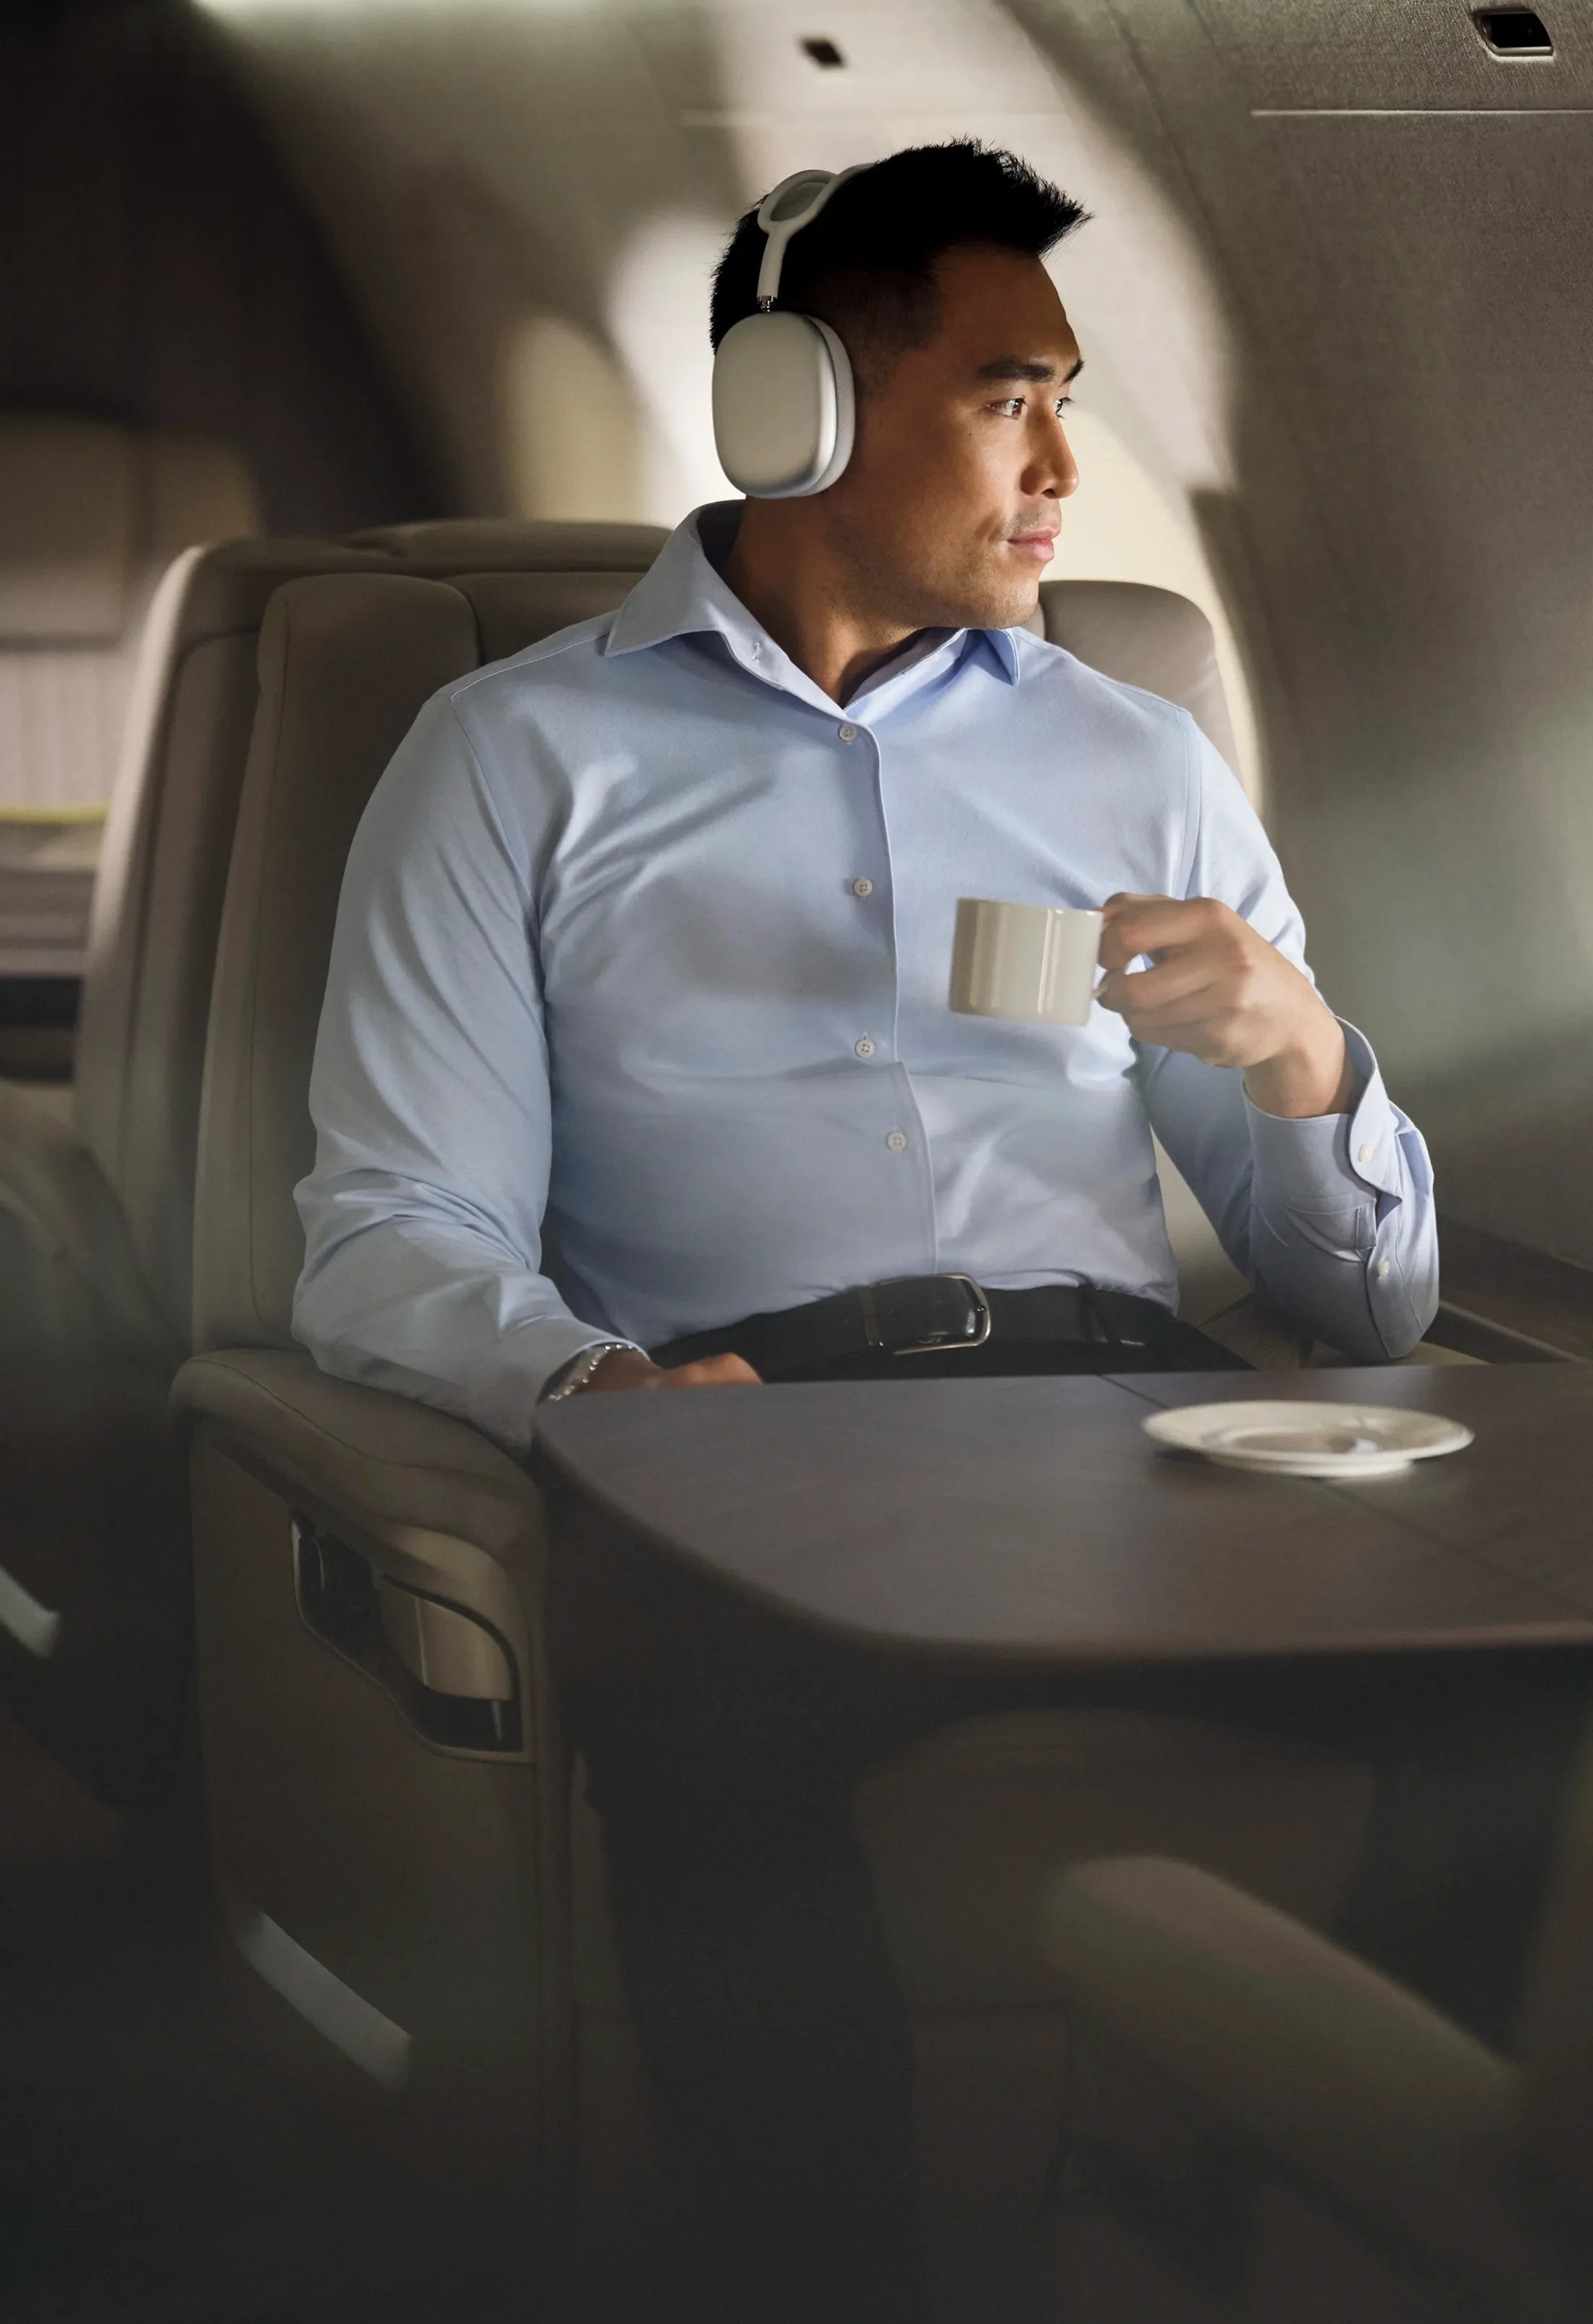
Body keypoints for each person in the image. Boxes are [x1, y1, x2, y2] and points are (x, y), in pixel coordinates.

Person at [294, 144, 1445, 2320]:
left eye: (1071, 400)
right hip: (763, 1426)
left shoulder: (1145, 757)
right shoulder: (510, 761)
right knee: (717, 1758)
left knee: (1522, 1705)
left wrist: (1303, 1056)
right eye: (1013, 395)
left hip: (1141, 1418)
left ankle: (1331, 2239)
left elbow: (1360, 1307)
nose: (1064, 473)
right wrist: (593, 1393)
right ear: (793, 405)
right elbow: (389, 1225)